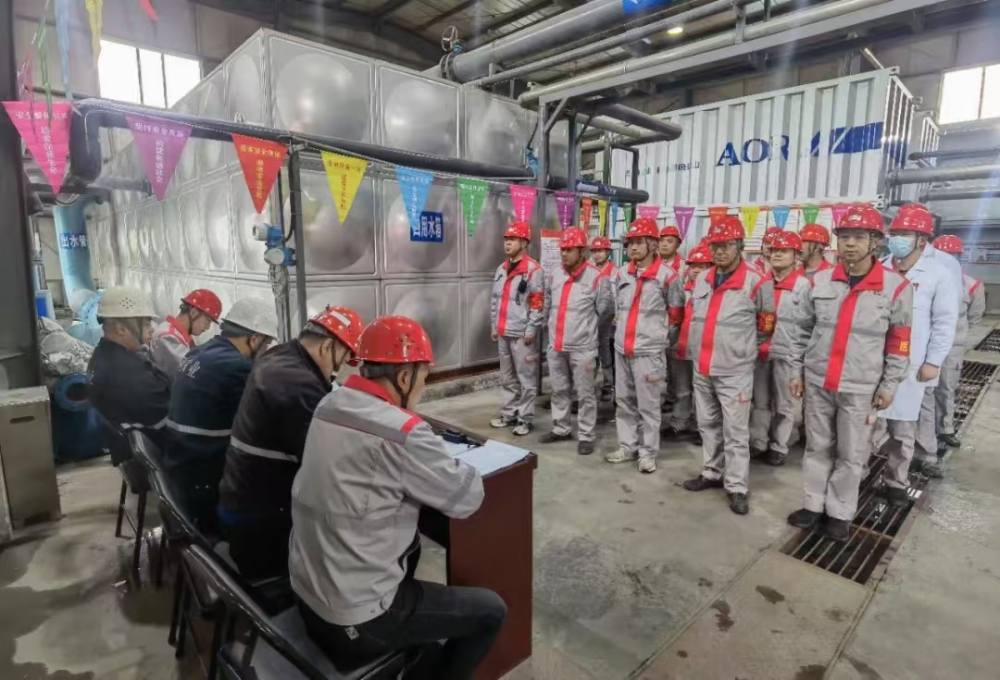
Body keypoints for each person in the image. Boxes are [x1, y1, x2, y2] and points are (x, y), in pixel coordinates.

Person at [289, 316, 505, 680]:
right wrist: (437, 450)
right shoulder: (403, 432)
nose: (422, 386)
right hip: (356, 617)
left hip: (306, 591)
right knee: (491, 610)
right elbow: (467, 497)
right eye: (423, 377)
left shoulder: (329, 404)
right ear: (404, 377)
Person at [788, 204, 912, 542]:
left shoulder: (896, 287)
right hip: (818, 381)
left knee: (852, 452)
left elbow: (899, 341)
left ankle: (840, 512)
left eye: (859, 237)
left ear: (875, 241)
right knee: (817, 446)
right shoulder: (819, 281)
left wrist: (889, 384)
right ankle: (813, 505)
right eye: (844, 237)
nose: (850, 244)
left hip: (861, 386)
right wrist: (797, 372)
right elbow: (801, 331)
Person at [218, 306, 364, 579]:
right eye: (340, 361)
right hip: (261, 524)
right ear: (327, 346)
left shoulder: (280, 356)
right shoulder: (298, 384)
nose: (337, 370)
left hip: (240, 497)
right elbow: (326, 464)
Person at [681, 217, 775, 515]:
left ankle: (736, 486)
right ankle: (712, 472)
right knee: (708, 424)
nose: (720, 251)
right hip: (702, 367)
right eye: (715, 246)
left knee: (735, 431)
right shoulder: (702, 279)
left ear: (740, 246)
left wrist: (740, 348)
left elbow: (766, 326)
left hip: (734, 370)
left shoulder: (757, 282)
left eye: (726, 245)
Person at [163, 298, 279, 532]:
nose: (265, 351)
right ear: (254, 339)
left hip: (179, 464)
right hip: (203, 476)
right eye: (266, 345)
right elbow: (261, 423)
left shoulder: (197, 352)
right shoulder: (237, 366)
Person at [877, 205, 957, 498]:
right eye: (894, 232)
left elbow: (944, 321)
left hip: (912, 363)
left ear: (921, 240)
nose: (896, 238)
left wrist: (933, 361)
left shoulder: (938, 274)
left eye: (904, 233)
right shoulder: (879, 268)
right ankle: (857, 477)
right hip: (874, 361)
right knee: (866, 426)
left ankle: (896, 483)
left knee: (903, 429)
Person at [605, 217, 686, 474]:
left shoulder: (668, 277)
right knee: (624, 401)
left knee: (649, 406)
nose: (633, 247)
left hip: (649, 353)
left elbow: (676, 317)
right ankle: (627, 446)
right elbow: (619, 308)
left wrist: (660, 342)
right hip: (622, 349)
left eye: (639, 242)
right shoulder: (621, 273)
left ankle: (648, 453)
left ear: (652, 244)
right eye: (630, 243)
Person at [539, 227, 614, 455]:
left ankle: (586, 435)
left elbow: (605, 311)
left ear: (582, 251)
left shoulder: (597, 277)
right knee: (559, 390)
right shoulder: (555, 274)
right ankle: (561, 428)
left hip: (583, 348)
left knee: (585, 394)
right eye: (562, 249)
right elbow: (548, 302)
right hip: (556, 345)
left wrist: (587, 332)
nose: (564, 254)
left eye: (569, 250)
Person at [748, 232, 812, 467]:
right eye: (774, 250)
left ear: (796, 256)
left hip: (787, 354)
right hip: (759, 352)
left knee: (785, 405)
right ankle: (758, 442)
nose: (777, 255)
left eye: (783, 251)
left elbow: (808, 325)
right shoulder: (760, 282)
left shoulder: (804, 286)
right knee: (760, 402)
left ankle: (778, 446)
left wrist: (800, 359)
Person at [88, 286, 172, 457]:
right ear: (121, 329)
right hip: (160, 453)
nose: (152, 329)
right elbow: (171, 429)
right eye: (146, 323)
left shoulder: (102, 355)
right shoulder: (130, 375)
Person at [490, 221, 544, 436]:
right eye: (506, 239)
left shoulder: (533, 270)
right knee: (507, 378)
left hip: (522, 334)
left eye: (512, 239)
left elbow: (537, 303)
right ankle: (509, 414)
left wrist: (531, 329)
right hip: (504, 331)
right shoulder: (501, 269)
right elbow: (495, 300)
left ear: (524, 243)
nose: (508, 243)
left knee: (526, 379)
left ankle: (525, 418)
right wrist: (494, 325)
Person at [931, 235, 985, 451]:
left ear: (958, 258)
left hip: (952, 347)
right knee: (920, 389)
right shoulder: (925, 282)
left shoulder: (972, 286)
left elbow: (975, 319)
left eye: (951, 256)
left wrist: (960, 343)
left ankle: (944, 428)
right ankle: (917, 428)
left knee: (946, 387)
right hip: (925, 344)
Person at [664, 244, 713, 440]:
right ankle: (679, 422)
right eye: (693, 266)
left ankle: (703, 429)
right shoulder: (681, 289)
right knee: (681, 389)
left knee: (704, 393)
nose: (696, 270)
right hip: (680, 347)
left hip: (703, 351)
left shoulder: (714, 292)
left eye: (702, 266)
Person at [149, 289, 222, 378]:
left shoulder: (182, 335)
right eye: (207, 321)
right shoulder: (167, 337)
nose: (207, 327)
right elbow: (193, 368)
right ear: (193, 312)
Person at [591, 236, 618, 401]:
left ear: (608, 252)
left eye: (600, 251)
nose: (597, 254)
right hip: (593, 321)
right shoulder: (590, 272)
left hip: (610, 323)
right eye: (594, 251)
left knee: (608, 355)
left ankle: (609, 385)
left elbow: (619, 297)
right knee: (592, 355)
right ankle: (590, 385)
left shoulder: (616, 273)